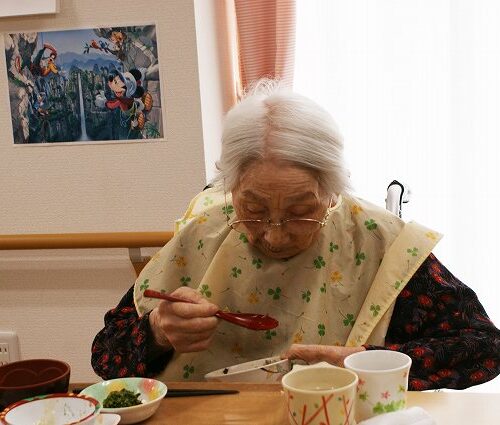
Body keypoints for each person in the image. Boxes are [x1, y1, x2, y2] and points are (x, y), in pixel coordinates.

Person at [92, 80, 499, 390]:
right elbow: (106, 355)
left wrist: (366, 363)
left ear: (333, 191)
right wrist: (157, 332)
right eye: (253, 210)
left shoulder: (379, 241)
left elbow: (484, 347)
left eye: (301, 212)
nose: (274, 236)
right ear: (230, 189)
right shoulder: (204, 234)